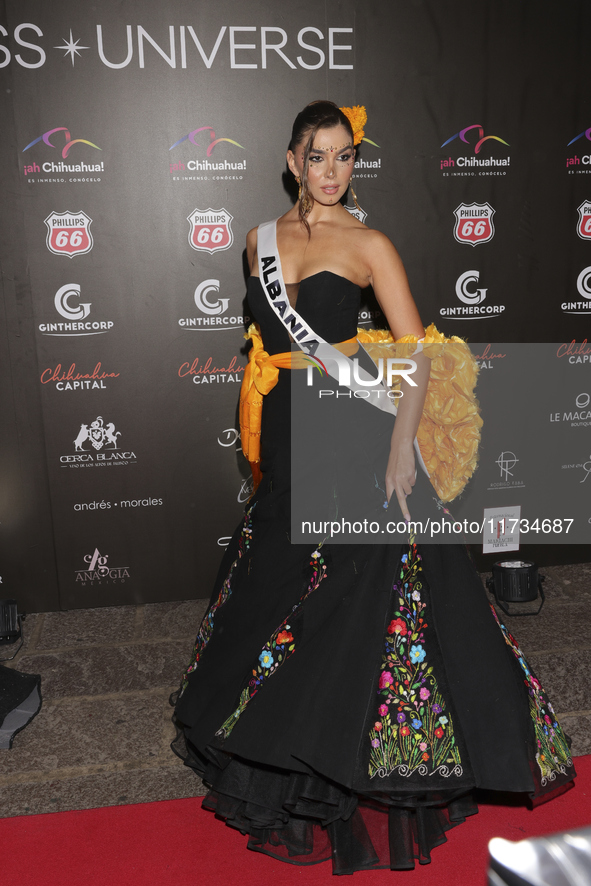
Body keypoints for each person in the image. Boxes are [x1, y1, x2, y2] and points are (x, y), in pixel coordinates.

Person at [172, 101, 575, 874]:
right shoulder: (258, 241)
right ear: (291, 160)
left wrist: (398, 449)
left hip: (353, 428)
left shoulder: (369, 244)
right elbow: (267, 339)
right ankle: (275, 749)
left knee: (355, 598)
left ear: (355, 163)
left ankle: (340, 751)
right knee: (282, 590)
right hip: (288, 430)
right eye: (317, 156)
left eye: (345, 156)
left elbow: (415, 357)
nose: (331, 171)